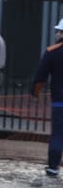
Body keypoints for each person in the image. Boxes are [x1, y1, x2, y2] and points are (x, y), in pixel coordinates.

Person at [32, 18, 63, 177]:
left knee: (57, 135)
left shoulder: (53, 51)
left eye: (59, 31)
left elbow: (40, 77)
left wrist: (35, 93)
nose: (57, 34)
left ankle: (52, 168)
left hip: (59, 101)